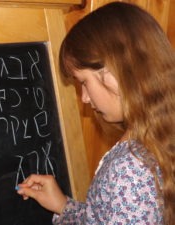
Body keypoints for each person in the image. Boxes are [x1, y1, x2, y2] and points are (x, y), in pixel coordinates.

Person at [17, 2, 175, 225]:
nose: (84, 98)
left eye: (84, 82)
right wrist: (63, 206)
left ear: (113, 73)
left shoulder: (131, 170)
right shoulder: (150, 139)